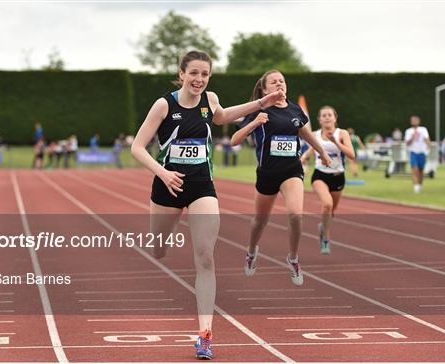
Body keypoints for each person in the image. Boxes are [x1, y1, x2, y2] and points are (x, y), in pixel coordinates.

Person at [131, 50, 285, 360]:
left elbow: (224, 115)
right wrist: (163, 173)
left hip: (202, 186)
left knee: (205, 256)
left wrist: (260, 103)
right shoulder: (165, 105)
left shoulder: (210, 100)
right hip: (167, 186)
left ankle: (204, 335)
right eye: (194, 73)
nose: (199, 79)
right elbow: (137, 147)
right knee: (158, 248)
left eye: (205, 74)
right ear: (182, 73)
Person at [231, 70, 332, 285]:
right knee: (260, 221)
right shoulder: (259, 109)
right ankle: (251, 252)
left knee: (296, 215)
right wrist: (255, 122)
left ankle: (293, 258)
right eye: (274, 82)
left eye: (282, 81)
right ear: (264, 89)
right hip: (267, 173)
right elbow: (234, 140)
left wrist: (321, 152)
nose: (279, 84)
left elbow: (305, 133)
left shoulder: (295, 109)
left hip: (291, 170)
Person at [300, 106, 355, 254]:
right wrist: (303, 158)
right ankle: (326, 238)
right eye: (323, 115)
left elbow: (352, 155)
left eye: (329, 115)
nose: (327, 117)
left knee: (331, 212)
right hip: (320, 175)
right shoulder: (315, 134)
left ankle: (323, 227)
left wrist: (336, 142)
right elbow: (310, 150)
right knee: (327, 204)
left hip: (338, 176)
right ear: (319, 119)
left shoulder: (342, 133)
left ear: (335, 118)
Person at [404, 115, 430, 193]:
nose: (414, 122)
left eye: (415, 120)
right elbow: (407, 143)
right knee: (415, 169)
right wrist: (412, 136)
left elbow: (427, 139)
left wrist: (428, 146)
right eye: (413, 120)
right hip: (413, 152)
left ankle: (420, 185)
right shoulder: (408, 131)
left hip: (422, 152)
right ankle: (416, 187)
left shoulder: (423, 129)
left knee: (421, 170)